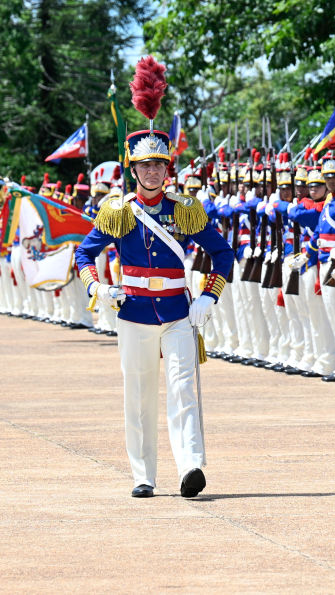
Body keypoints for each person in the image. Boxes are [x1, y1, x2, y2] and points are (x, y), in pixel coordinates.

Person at [75, 113, 234, 499]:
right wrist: (99, 288)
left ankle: (190, 466)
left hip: (178, 312)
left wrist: (209, 296)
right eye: (145, 165)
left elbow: (223, 253)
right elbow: (83, 254)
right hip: (134, 312)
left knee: (183, 388)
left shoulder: (184, 208)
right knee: (139, 394)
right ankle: (143, 475)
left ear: (167, 169)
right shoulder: (119, 210)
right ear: (133, 170)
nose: (152, 171)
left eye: (159, 165)